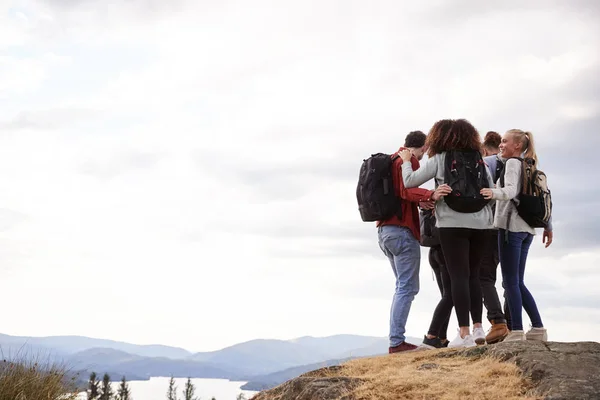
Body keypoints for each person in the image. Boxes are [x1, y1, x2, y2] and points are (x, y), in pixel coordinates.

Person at [400, 119, 494, 348]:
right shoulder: (478, 159)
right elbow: (490, 188)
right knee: (473, 275)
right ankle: (478, 327)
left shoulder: (439, 158)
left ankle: (464, 334)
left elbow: (409, 182)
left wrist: (405, 162)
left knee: (458, 277)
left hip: (451, 224)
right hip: (481, 224)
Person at [376, 131, 450, 353]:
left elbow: (399, 194)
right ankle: (397, 342)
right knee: (407, 288)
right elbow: (407, 189)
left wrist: (421, 203)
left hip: (384, 231)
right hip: (402, 231)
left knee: (402, 287)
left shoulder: (391, 159)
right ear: (424, 147)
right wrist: (431, 195)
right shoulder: (408, 160)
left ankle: (396, 340)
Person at [481, 129, 553, 342]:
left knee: (510, 282)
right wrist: (549, 226)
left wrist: (491, 192)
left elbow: (511, 191)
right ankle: (538, 328)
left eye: (504, 142)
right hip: (527, 230)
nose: (501, 145)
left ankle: (517, 331)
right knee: (518, 282)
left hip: (510, 229)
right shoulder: (530, 165)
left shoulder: (513, 163)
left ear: (517, 146)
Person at [480, 131, 511, 343]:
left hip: (491, 226)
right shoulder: (519, 164)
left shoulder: (487, 162)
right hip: (515, 227)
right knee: (511, 281)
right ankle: (513, 324)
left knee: (485, 277)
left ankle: (498, 323)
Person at [419, 208, 451, 348]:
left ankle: (441, 338)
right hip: (445, 252)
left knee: (446, 297)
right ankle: (432, 335)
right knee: (450, 296)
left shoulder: (428, 205)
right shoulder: (445, 203)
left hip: (434, 253)